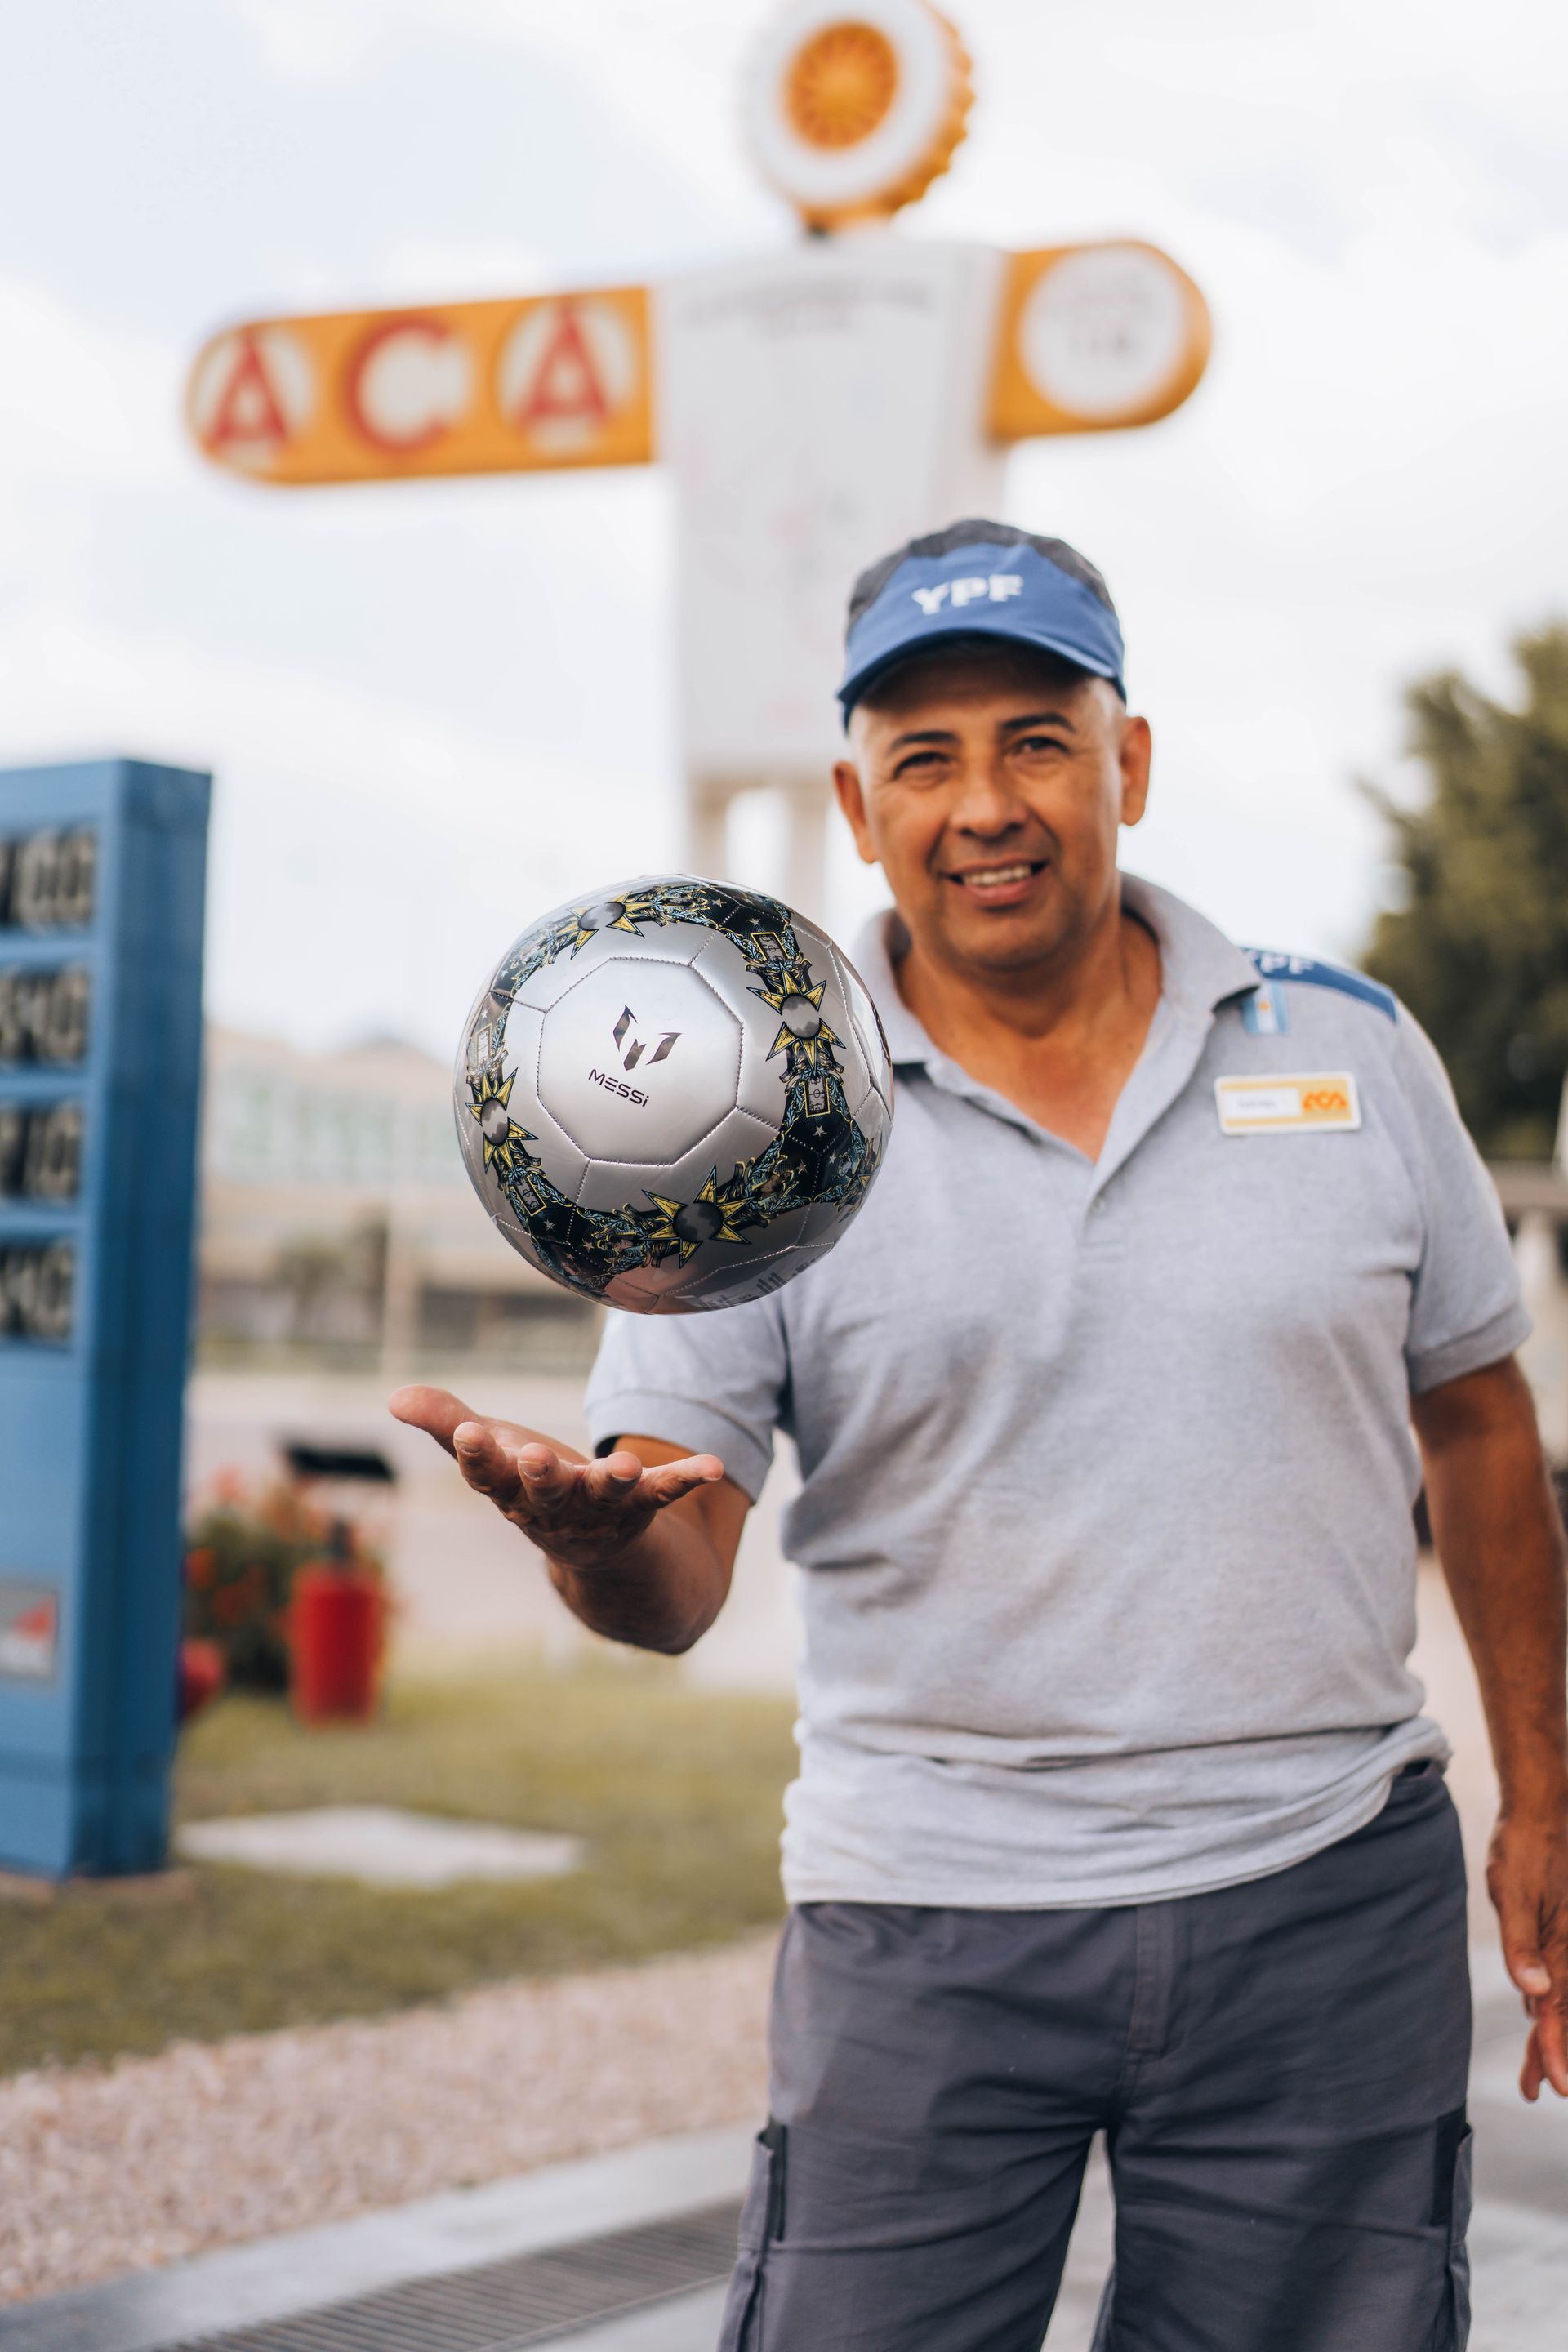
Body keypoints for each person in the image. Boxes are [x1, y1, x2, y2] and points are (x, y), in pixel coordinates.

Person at [393, 520, 1568, 2350]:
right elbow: (680, 1560)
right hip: (929, 1924)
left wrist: (1546, 1800)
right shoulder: (759, 1126)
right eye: (923, 758)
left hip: (1325, 1904)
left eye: (1036, 736)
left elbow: (1484, 1424)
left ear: (1131, 762)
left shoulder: (1351, 1047)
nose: (985, 802)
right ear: (860, 810)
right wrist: (598, 1541)